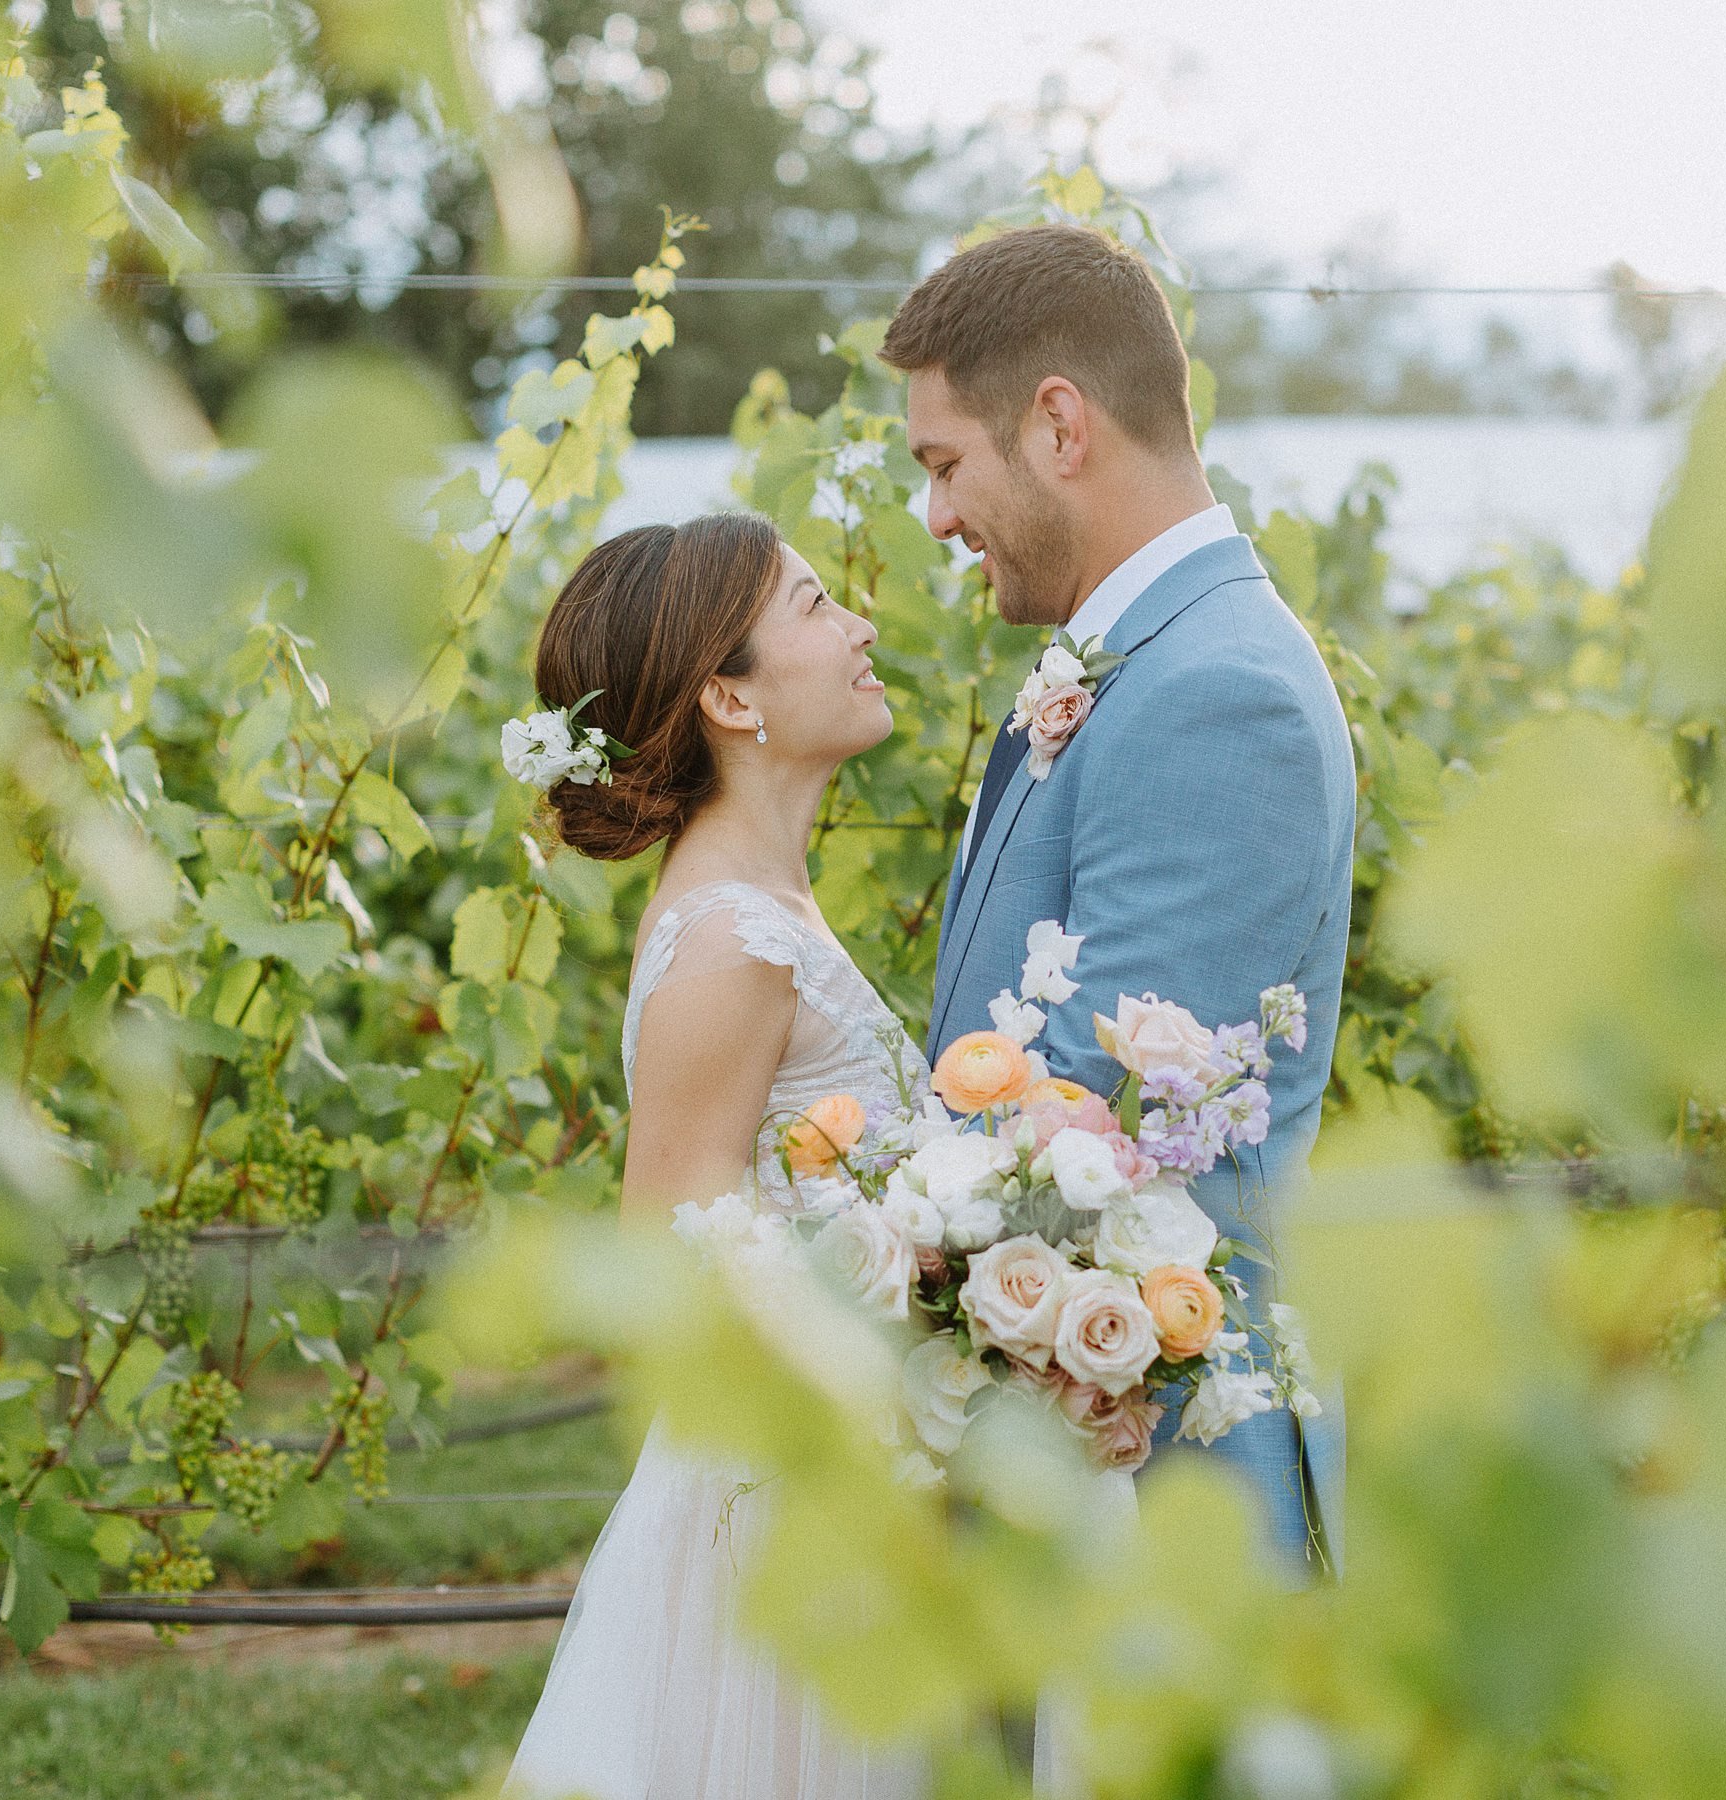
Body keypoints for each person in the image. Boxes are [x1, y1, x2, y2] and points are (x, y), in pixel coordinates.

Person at [886, 222, 1355, 1577]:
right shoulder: (1145, 657)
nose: (937, 516)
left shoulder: (1219, 691)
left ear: (1057, 424)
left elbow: (1109, 1136)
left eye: (943, 465)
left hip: (1171, 1498)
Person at [504, 511, 927, 1800]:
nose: (861, 625)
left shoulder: (766, 906)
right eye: (815, 605)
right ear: (729, 695)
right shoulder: (735, 939)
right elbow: (669, 1268)